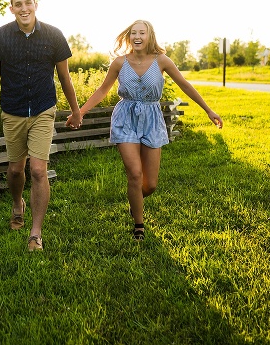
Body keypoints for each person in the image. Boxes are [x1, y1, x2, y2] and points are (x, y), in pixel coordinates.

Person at [65, 19, 222, 241]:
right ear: (129, 37)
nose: (137, 36)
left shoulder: (162, 61)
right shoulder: (120, 63)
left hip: (152, 119)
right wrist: (79, 112)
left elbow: (185, 85)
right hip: (125, 118)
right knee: (135, 175)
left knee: (151, 185)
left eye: (142, 32)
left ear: (150, 37)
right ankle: (139, 225)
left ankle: (135, 203)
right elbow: (102, 90)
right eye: (133, 33)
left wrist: (208, 110)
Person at [0, 0, 82, 252]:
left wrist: (76, 109)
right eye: (18, 4)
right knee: (14, 170)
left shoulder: (54, 35)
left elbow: (65, 77)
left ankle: (35, 233)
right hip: (12, 111)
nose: (24, 8)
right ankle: (16, 203)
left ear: (36, 5)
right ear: (11, 8)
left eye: (28, 3)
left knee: (37, 170)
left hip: (44, 110)